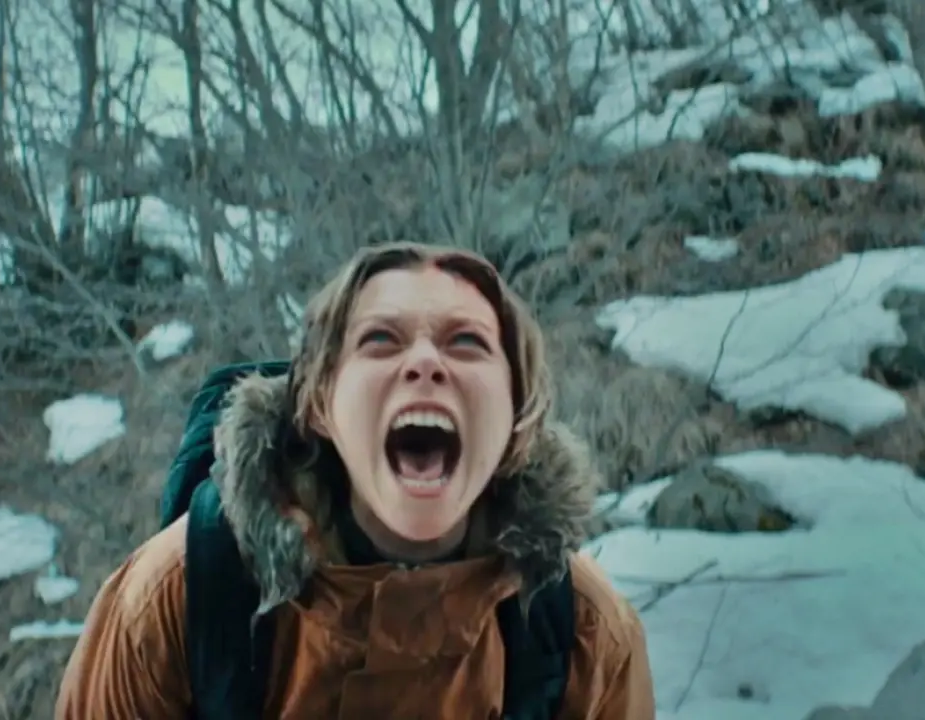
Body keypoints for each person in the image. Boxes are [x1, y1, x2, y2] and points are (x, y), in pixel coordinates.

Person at [55, 242, 656, 719]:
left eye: (467, 342)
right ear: (319, 404)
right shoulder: (175, 598)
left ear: (517, 414)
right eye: (380, 339)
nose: (425, 362)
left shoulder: (585, 634)